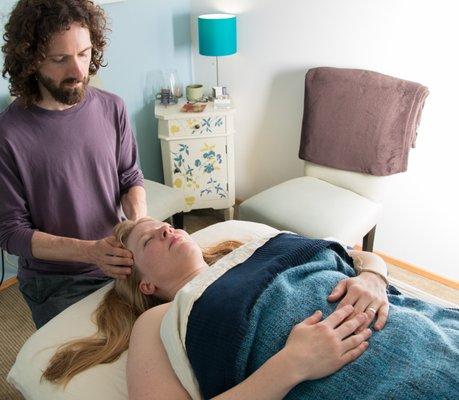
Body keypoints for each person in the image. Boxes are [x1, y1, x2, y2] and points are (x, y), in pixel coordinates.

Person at [43, 217, 413, 397]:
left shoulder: (252, 248)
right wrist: (293, 364)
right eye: (148, 240)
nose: (167, 230)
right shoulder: (159, 319)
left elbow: (359, 257)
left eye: (165, 226)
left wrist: (373, 278)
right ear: (146, 284)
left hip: (409, 324)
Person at [0, 0, 146, 329]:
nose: (79, 72)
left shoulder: (112, 108)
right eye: (60, 59)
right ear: (31, 61)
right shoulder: (7, 135)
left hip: (121, 261)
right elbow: (12, 233)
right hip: (56, 283)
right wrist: (91, 252)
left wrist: (141, 223)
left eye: (84, 53)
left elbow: (129, 176)